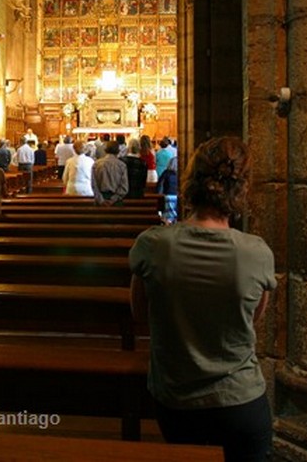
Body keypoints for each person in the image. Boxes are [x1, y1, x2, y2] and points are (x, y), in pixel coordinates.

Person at [129, 136, 276, 461]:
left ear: (192, 179)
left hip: (177, 399)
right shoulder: (256, 252)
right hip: (240, 399)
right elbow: (251, 321)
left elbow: (139, 313)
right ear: (242, 187)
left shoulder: (153, 245)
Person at [91, 140, 128, 206]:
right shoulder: (122, 165)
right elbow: (124, 187)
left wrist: (101, 200)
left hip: (100, 199)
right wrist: (113, 200)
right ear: (118, 151)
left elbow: (94, 185)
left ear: (105, 150)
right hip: (116, 200)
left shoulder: (96, 164)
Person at [158, 155, 179, 223]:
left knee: (168, 216)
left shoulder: (166, 173)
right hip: (177, 197)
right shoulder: (181, 173)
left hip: (168, 196)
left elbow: (160, 185)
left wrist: (159, 195)